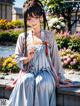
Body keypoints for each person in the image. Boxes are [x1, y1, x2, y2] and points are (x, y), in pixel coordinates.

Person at [7, 0, 72, 106]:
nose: (33, 21)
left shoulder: (49, 36)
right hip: (28, 71)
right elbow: (17, 58)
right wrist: (27, 58)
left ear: (41, 18)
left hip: (46, 72)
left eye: (35, 17)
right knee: (26, 81)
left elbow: (55, 58)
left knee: (41, 83)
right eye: (29, 18)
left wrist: (61, 78)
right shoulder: (23, 37)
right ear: (26, 20)